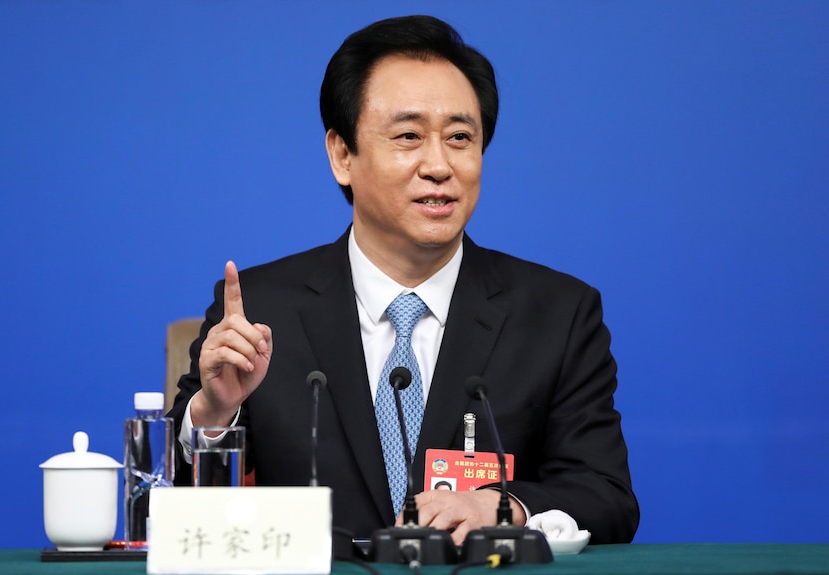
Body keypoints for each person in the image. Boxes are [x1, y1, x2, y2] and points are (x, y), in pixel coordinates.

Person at [169, 14, 639, 546]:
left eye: (460, 137)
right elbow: (174, 509)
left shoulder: (557, 313)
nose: (439, 164)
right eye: (409, 136)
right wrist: (215, 416)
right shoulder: (260, 309)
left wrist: (503, 507)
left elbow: (606, 496)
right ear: (342, 155)